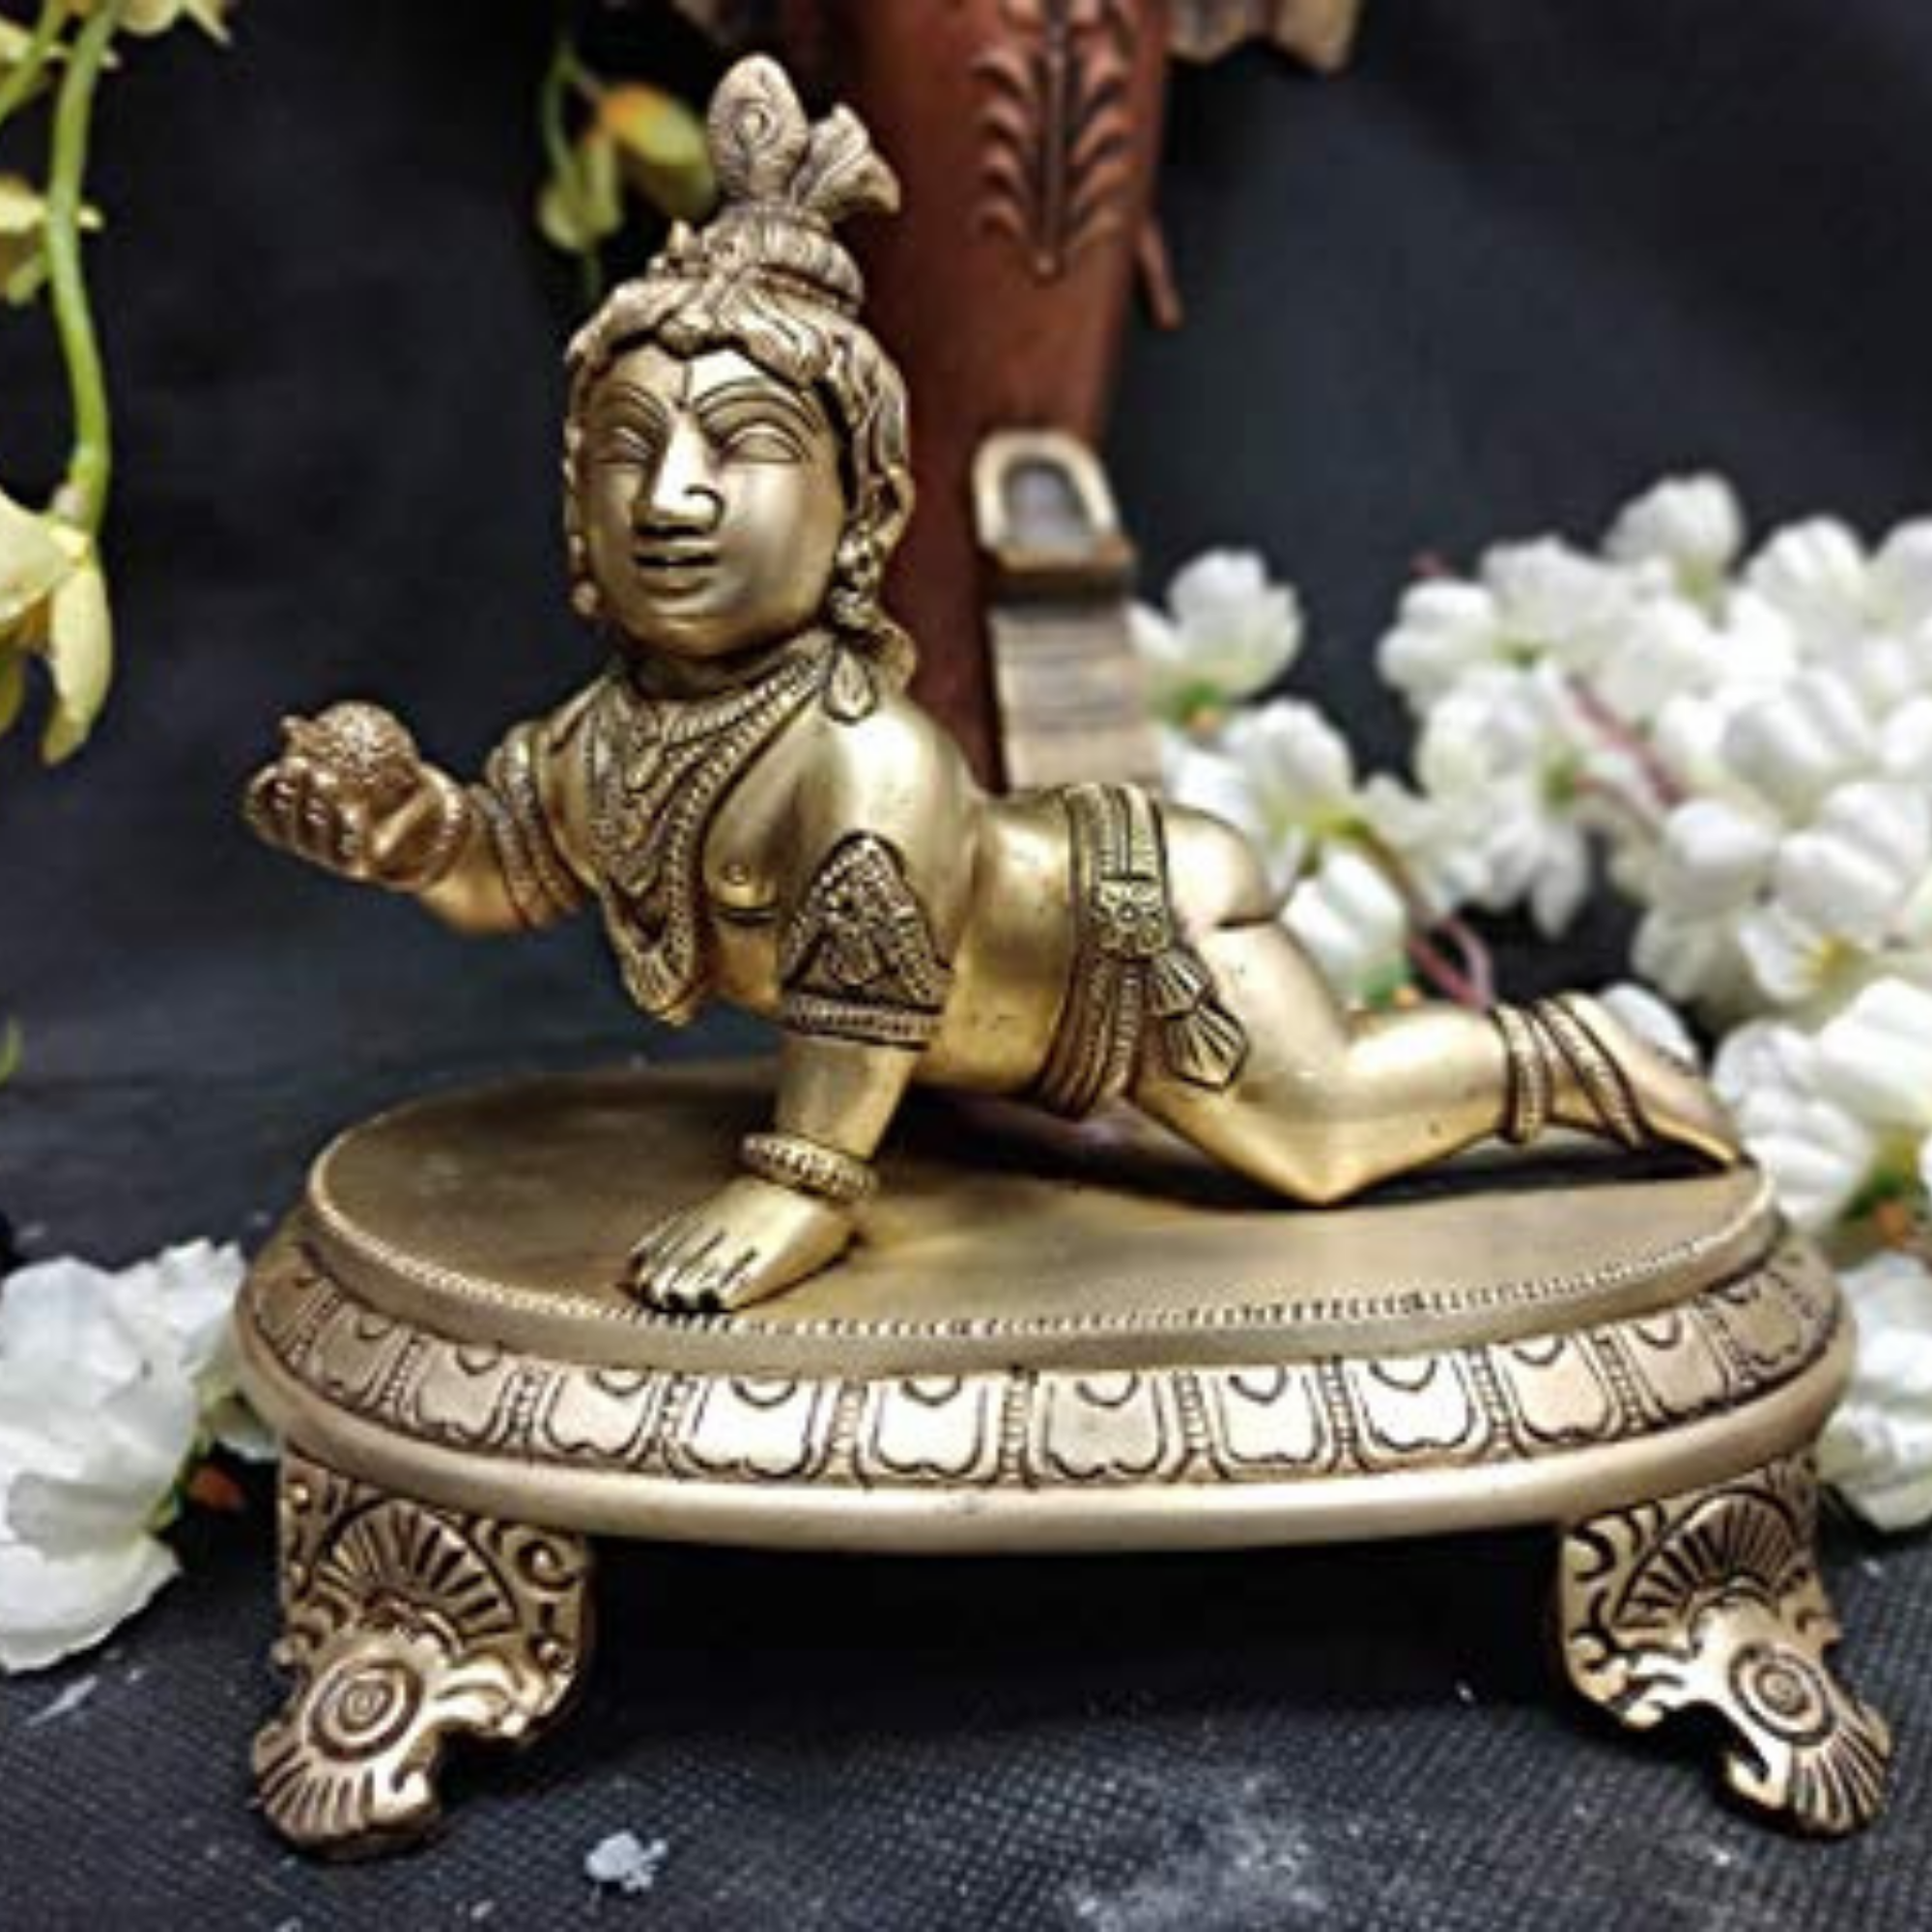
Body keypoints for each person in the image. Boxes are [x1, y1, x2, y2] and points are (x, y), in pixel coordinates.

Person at [246, 56, 1738, 1315]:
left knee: (1325, 1132)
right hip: (1000, 1045)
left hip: (1131, 947)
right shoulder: (612, 736)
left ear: (862, 517)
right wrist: (413, 835)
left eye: (744, 447)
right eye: (629, 450)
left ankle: (1568, 1057)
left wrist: (803, 1187)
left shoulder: (862, 759)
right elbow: (509, 872)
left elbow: (865, 1002)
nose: (673, 499)